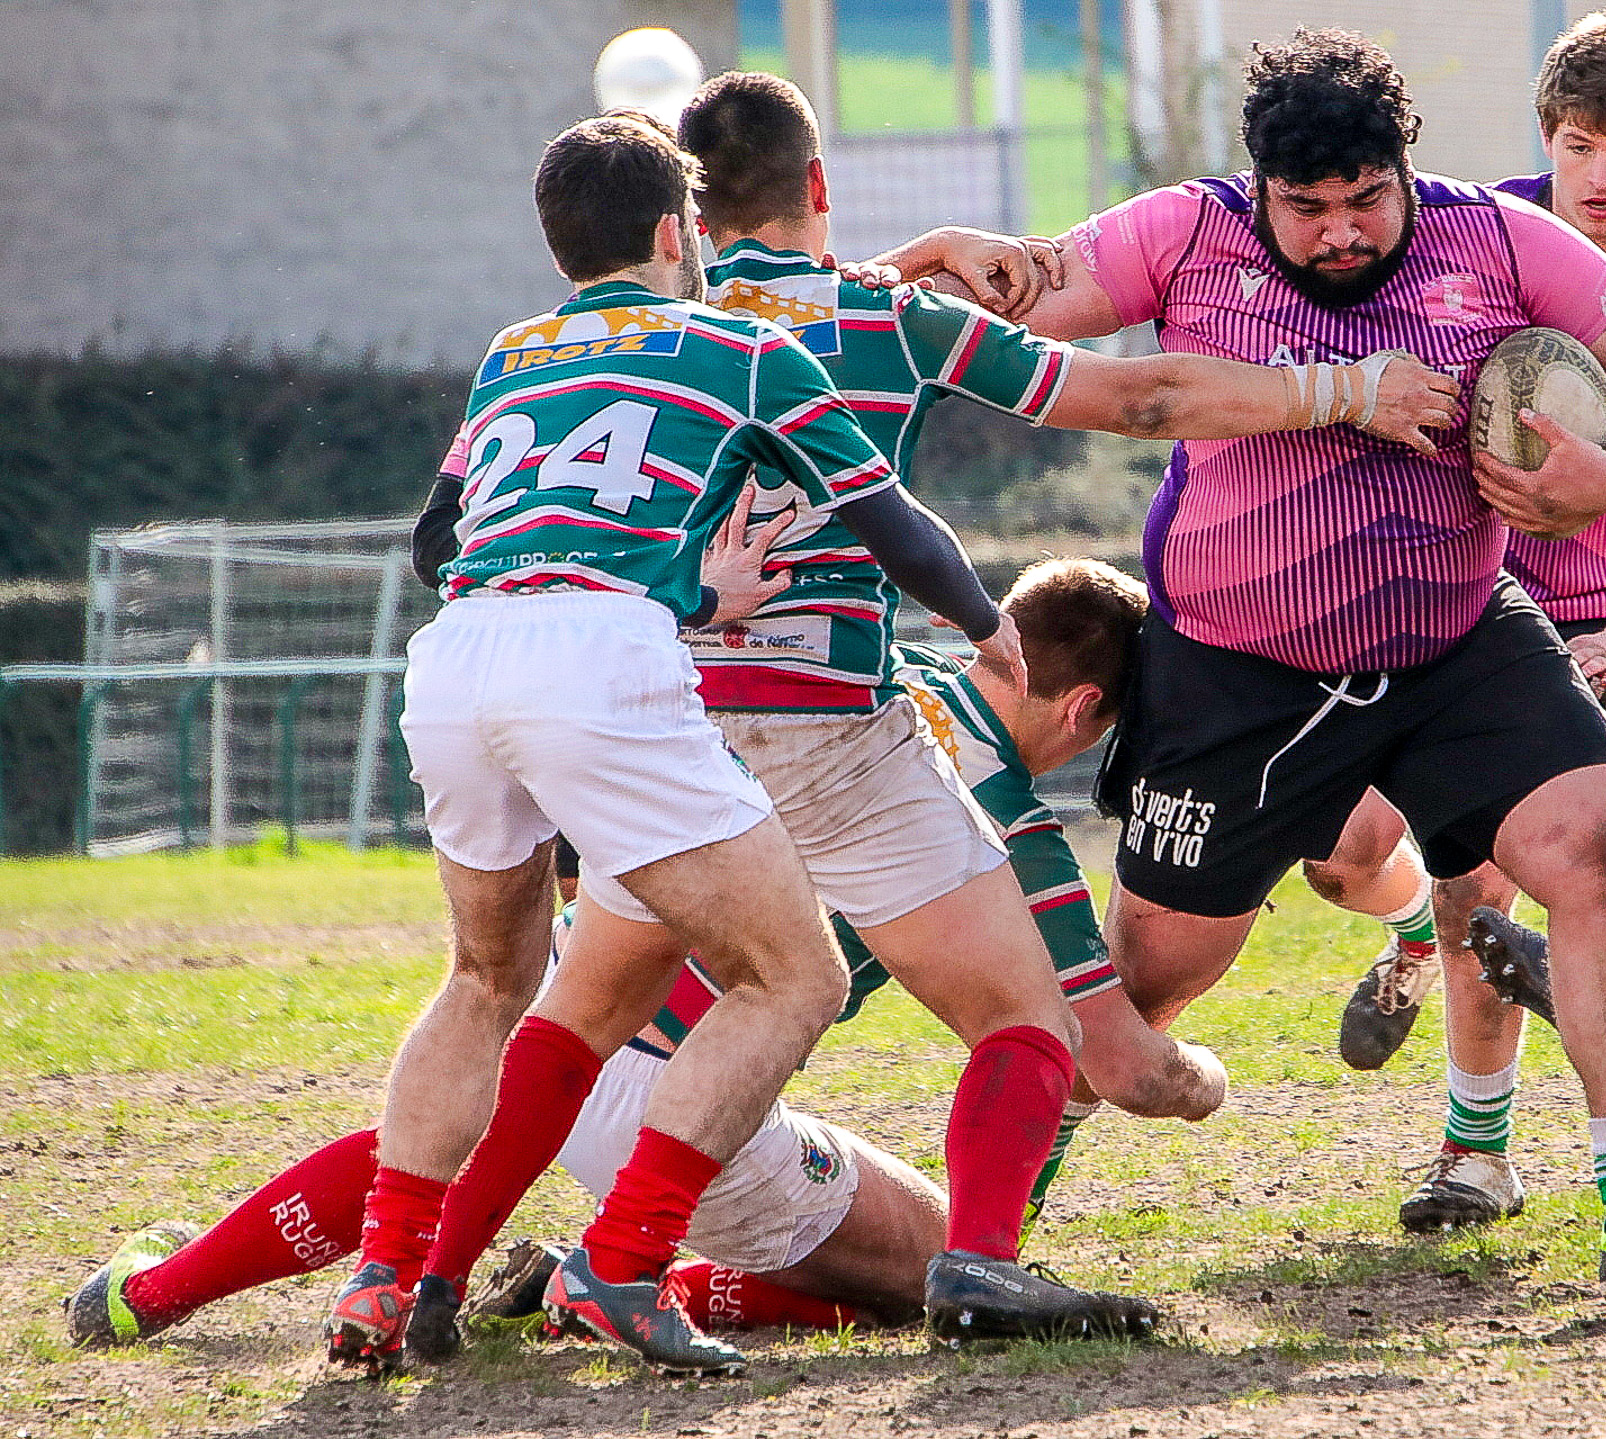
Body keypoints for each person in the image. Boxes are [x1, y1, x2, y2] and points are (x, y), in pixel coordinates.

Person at [397, 74, 1460, 1364]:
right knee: (1025, 1020)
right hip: (837, 733)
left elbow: (468, 528)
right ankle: (971, 1266)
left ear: (684, 211)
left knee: (568, 1016)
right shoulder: (884, 318)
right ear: (821, 186)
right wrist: (1336, 393)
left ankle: (429, 1270)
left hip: (666, 729)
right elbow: (1141, 400)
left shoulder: (636, 328)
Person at [886, 26, 1606, 1308]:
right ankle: (991, 1222)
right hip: (1239, 677)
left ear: (1403, 170)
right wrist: (912, 270)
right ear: (1260, 188)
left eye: (1367, 199)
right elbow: (997, 323)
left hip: (1457, 642)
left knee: (1601, 848)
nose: (1341, 232)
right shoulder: (1183, 232)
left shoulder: (1497, 237)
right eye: (1307, 210)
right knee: (1141, 988)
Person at [67, 560, 1208, 1348]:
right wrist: (1210, 1075)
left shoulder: (844, 676)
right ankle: (604, 1276)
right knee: (929, 1265)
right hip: (687, 1098)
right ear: (1085, 709)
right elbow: (1119, 1065)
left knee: (426, 1148)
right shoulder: (998, 820)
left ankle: (149, 1293)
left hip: (566, 1031)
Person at [332, 113, 1039, 1378]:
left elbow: (438, 542)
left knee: (487, 982)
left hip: (456, 659)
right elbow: (894, 523)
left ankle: (385, 1279)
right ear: (677, 231)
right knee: (797, 979)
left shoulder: (514, 352)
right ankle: (623, 1261)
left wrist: (666, 596)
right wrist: (991, 624)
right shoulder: (741, 346)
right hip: (598, 666)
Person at [1304, 6, 1606, 1234]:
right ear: (1545, 138)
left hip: (1590, 626)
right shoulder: (1466, 233)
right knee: (1342, 851)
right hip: (1439, 603)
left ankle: (1478, 1151)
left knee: (1495, 887)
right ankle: (1400, 932)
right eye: (1576, 145)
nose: (1599, 177)